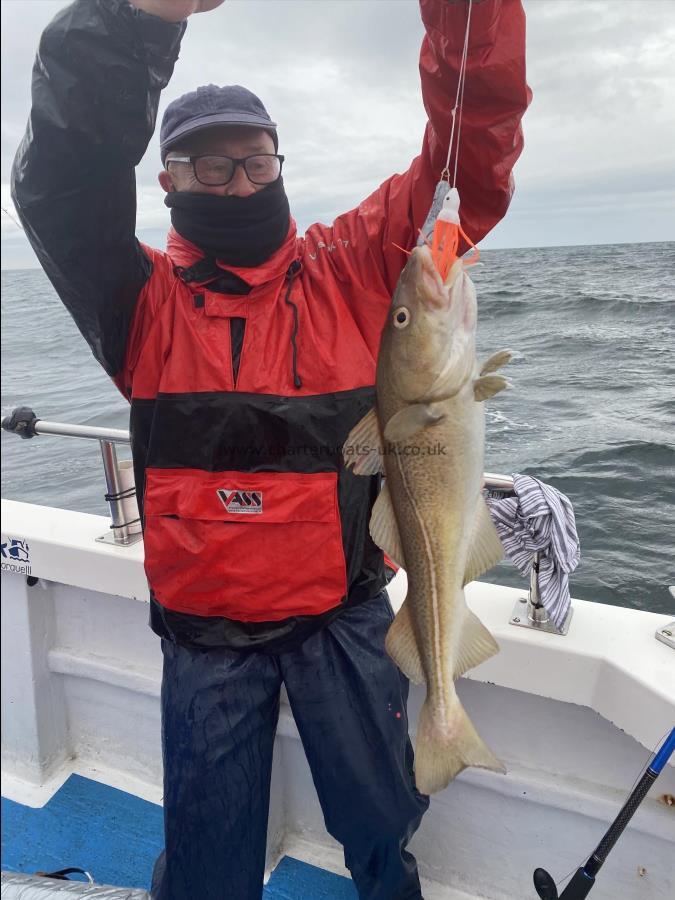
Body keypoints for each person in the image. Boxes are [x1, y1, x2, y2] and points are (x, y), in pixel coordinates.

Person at [11, 0, 530, 897]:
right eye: (211, 165)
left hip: (343, 612)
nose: (241, 184)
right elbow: (58, 182)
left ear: (280, 161)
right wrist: (132, 23)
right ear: (167, 180)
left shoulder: (356, 265)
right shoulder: (135, 300)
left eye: (256, 161)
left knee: (380, 828)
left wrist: (462, 15)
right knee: (209, 870)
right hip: (204, 637)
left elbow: (468, 163)